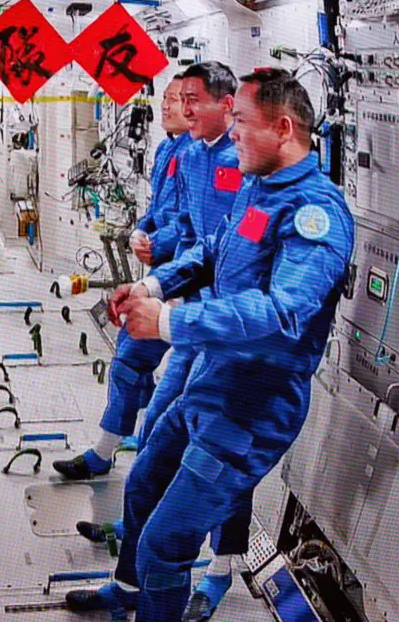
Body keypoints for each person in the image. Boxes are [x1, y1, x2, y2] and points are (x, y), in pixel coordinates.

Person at [65, 67, 354, 620]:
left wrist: (169, 323)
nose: (233, 132)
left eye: (242, 121)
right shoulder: (258, 187)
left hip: (253, 407)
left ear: (283, 129)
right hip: (211, 381)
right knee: (142, 485)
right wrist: (152, 286)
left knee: (166, 541)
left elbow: (281, 313)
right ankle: (126, 593)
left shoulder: (314, 213)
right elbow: (212, 250)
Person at [74, 61, 250, 620]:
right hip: (192, 316)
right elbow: (201, 240)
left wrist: (171, 308)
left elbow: (256, 286)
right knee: (153, 446)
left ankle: (221, 567)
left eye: (193, 99)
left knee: (221, 459)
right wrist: (154, 278)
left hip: (228, 341)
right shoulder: (193, 155)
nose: (183, 109)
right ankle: (127, 585)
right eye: (179, 99)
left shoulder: (263, 181)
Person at [52, 74, 193, 481]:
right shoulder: (167, 149)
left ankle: (111, 453)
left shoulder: (204, 159)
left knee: (135, 363)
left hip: (187, 283)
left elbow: (196, 225)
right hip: (164, 273)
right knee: (132, 359)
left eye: (176, 99)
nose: (165, 106)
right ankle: (120, 441)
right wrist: (139, 230)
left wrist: (157, 241)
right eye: (165, 98)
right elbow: (159, 208)